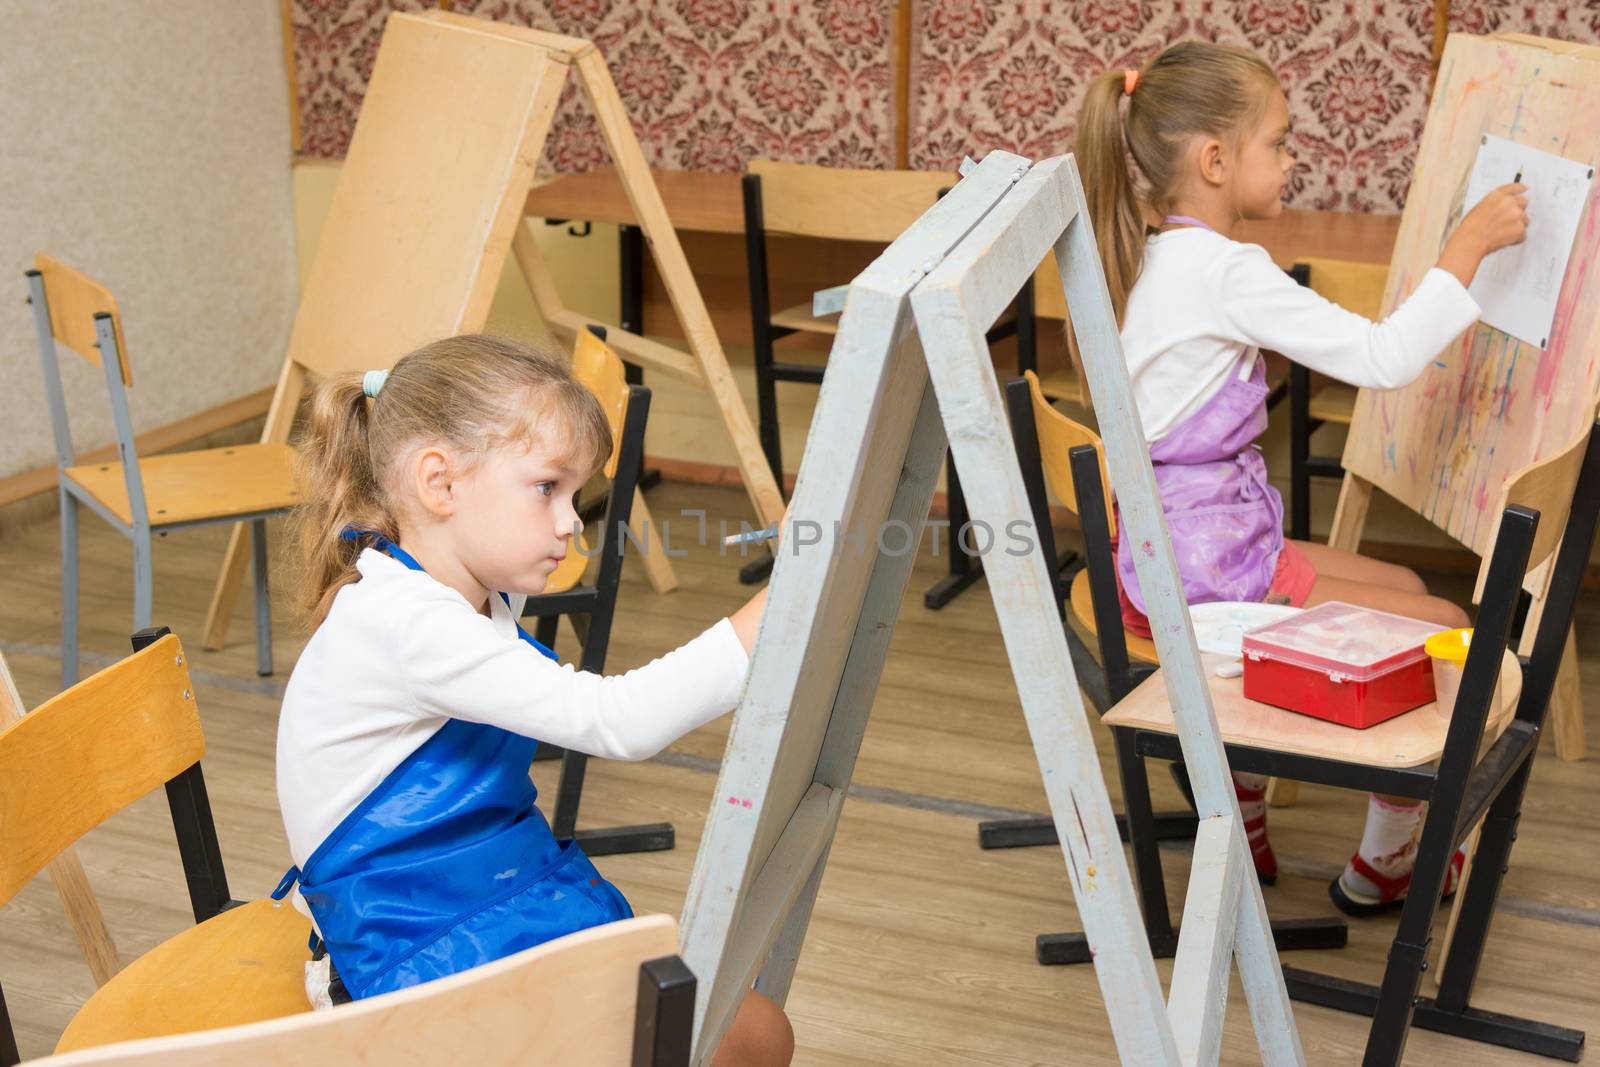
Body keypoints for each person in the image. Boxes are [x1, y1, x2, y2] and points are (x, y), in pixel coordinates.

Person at [1075, 42, 1528, 915]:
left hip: (1173, 549)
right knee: (1443, 635)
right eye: (1279, 143)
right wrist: (1465, 248)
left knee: (1401, 585)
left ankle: (1238, 803)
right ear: (1214, 161)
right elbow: (1383, 357)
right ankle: (1387, 863)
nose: (1292, 160)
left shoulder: (1152, 253)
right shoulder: (1228, 271)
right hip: (1205, 577)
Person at [273, 334, 792, 1065]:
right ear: (439, 483)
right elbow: (617, 720)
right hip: (407, 943)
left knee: (746, 1031)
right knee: (738, 1035)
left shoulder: (457, 579)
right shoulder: (411, 622)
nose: (571, 521)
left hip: (478, 887)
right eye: (547, 488)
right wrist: (772, 610)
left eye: (575, 494)